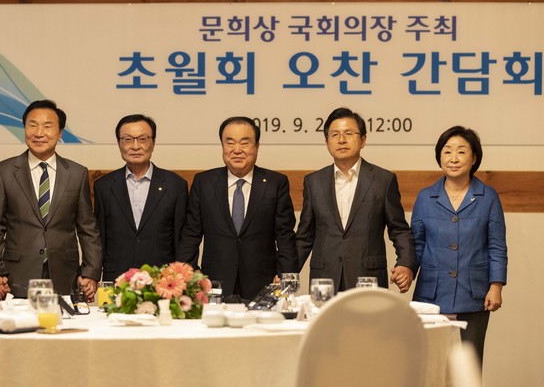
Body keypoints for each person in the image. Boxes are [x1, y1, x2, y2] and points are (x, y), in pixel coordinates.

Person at [0, 99, 102, 300]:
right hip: (17, 274)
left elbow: (87, 228)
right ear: (24, 129)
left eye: (47, 126)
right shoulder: (4, 171)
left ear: (60, 132)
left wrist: (91, 271)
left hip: (65, 274)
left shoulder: (77, 173)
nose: (39, 133)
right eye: (32, 125)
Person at [411, 126, 507, 365]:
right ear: (439, 157)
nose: (453, 158)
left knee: (468, 368)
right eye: (447, 151)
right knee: (430, 368)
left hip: (473, 295)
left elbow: (496, 246)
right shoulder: (425, 197)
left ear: (473, 158)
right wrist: (407, 270)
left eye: (461, 152)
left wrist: (496, 286)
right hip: (431, 295)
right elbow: (417, 245)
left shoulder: (488, 196)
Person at [177, 116, 298, 300]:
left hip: (264, 284)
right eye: (230, 142)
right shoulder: (204, 183)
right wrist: (191, 273)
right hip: (214, 284)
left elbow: (285, 236)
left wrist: (285, 277)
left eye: (244, 143)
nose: (237, 150)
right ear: (222, 146)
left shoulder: (275, 183)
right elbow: (190, 234)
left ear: (257, 147)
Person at [296, 107, 416, 292]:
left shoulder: (383, 180)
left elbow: (399, 229)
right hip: (324, 280)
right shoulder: (314, 182)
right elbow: (304, 236)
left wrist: (405, 263)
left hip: (368, 278)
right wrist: (285, 271)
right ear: (326, 142)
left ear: (363, 140)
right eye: (335, 134)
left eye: (349, 133)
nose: (341, 140)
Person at [93, 114, 188, 281]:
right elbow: (98, 238)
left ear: (153, 143)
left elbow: (181, 239)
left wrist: (180, 278)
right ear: (119, 144)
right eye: (128, 139)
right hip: (117, 278)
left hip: (162, 280)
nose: (135, 146)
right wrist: (93, 275)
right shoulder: (104, 186)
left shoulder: (175, 185)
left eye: (142, 139)